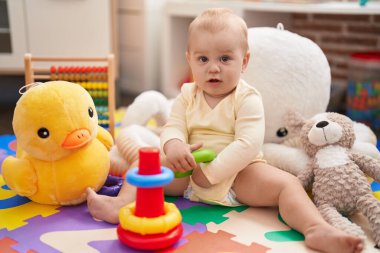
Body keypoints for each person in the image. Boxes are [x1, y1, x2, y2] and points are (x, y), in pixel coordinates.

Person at [87, 8, 363, 253]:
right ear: (190, 60)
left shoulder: (247, 98)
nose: (214, 68)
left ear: (244, 62)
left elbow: (248, 143)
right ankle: (120, 204)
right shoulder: (187, 95)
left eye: (225, 59)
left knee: (286, 185)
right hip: (190, 171)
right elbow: (173, 126)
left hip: (238, 173)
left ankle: (315, 228)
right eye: (203, 59)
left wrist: (214, 172)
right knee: (145, 167)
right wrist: (175, 147)